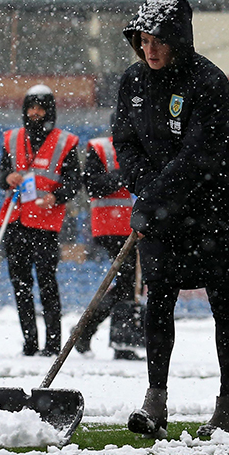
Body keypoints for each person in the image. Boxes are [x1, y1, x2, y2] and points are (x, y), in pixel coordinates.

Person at [114, 0, 229, 439]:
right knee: (158, 299)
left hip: (219, 209)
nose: (149, 49)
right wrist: (148, 192)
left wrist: (154, 199)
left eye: (157, 39)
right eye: (142, 40)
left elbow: (200, 156)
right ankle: (155, 401)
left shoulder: (209, 83)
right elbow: (125, 143)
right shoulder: (133, 83)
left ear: (177, 37)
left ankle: (228, 406)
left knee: (223, 301)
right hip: (164, 211)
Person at [0, 85, 82, 356]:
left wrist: (56, 197)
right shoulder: (11, 139)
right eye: (31, 108)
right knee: (20, 285)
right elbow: (1, 176)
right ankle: (30, 342)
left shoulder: (65, 142)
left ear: (49, 111)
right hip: (16, 220)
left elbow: (73, 182)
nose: (35, 113)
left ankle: (53, 343)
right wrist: (7, 178)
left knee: (47, 284)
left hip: (46, 224)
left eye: (40, 108)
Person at [73, 132, 140, 359]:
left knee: (128, 283)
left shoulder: (145, 146)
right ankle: (107, 338)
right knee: (127, 283)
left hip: (136, 225)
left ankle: (110, 338)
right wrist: (123, 176)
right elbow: (92, 186)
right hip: (112, 226)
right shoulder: (101, 147)